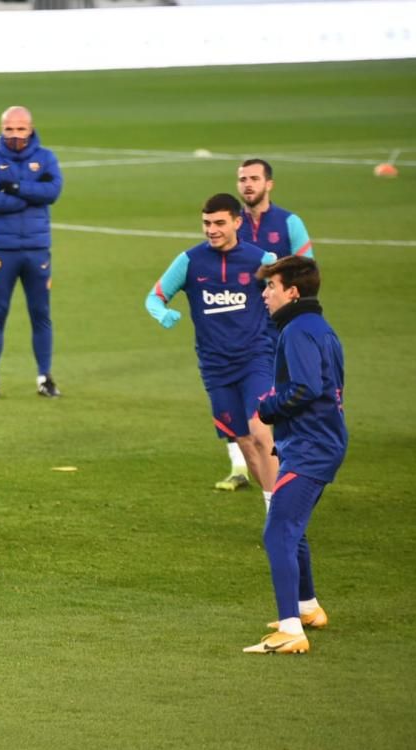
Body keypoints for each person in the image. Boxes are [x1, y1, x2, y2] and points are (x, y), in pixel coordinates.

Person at [144, 193, 279, 509]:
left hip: (255, 359)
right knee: (244, 440)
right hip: (215, 368)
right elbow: (154, 296)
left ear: (237, 221)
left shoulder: (261, 261)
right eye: (206, 223)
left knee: (261, 432)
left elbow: (288, 296)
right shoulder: (190, 261)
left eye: (219, 223)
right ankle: (271, 499)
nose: (212, 229)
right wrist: (161, 313)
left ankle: (280, 511)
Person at [243, 255, 346, 654]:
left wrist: (269, 406)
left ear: (293, 292)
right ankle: (306, 609)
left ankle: (290, 631)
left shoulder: (298, 331)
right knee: (291, 527)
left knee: (278, 531)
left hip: (311, 449)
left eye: (272, 287)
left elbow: (305, 388)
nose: (265, 294)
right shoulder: (319, 328)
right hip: (316, 442)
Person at [214, 158, 318, 491]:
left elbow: (307, 270)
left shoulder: (289, 223)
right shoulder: (230, 224)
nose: (247, 184)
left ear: (268, 183)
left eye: (254, 178)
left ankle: (291, 461)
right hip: (243, 328)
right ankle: (243, 467)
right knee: (239, 395)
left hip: (284, 325)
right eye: (242, 179)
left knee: (287, 395)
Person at [0, 106, 64, 400]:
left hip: (37, 250)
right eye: (9, 129)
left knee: (41, 314)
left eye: (20, 129)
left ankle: (45, 377)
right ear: (1, 129)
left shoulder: (45, 158)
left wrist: (13, 188)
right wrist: (29, 196)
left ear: (31, 128)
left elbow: (53, 191)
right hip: (3, 249)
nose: (15, 135)